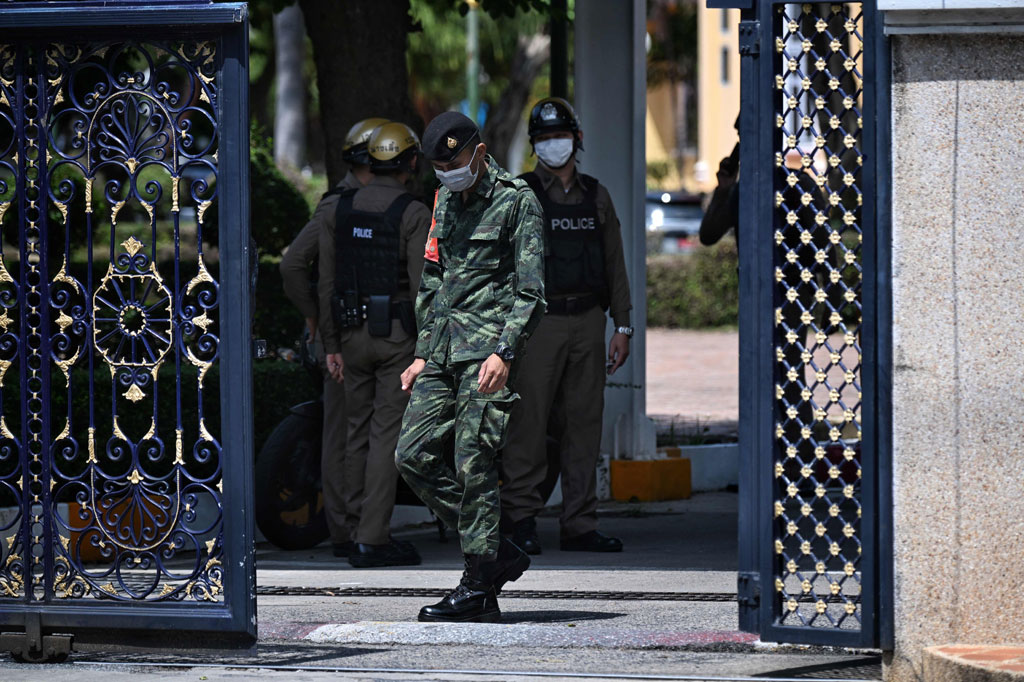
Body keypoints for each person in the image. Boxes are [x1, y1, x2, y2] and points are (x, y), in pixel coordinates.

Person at [395, 111, 545, 622]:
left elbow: (531, 292)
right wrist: (421, 352)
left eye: (453, 163)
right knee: (411, 455)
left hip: (486, 356)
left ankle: (479, 586)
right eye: (438, 167)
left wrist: (505, 352)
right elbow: (434, 281)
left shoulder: (517, 202)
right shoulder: (444, 201)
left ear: (478, 154)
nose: (446, 174)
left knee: (472, 462)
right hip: (441, 353)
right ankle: (497, 550)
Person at [499, 97, 632, 555]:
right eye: (544, 138)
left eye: (560, 136)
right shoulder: (520, 194)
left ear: (576, 140)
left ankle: (579, 523)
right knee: (528, 424)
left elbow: (615, 262)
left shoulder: (596, 195)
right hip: (539, 325)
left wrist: (624, 326)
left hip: (589, 322)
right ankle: (519, 520)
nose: (553, 145)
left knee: (583, 425)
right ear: (535, 146)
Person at [316, 122, 431, 568]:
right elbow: (425, 288)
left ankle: (345, 532)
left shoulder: (337, 208)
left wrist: (331, 344)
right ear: (411, 163)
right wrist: (426, 349)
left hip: (349, 336)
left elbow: (326, 281)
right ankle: (372, 538)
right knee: (386, 435)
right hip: (397, 338)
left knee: (353, 432)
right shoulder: (414, 212)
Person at [279, 116, 387, 558]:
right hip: (348, 334)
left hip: (351, 333)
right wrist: (315, 319)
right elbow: (291, 267)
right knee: (347, 433)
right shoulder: (340, 205)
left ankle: (354, 528)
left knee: (351, 433)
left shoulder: (355, 201)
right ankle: (348, 531)